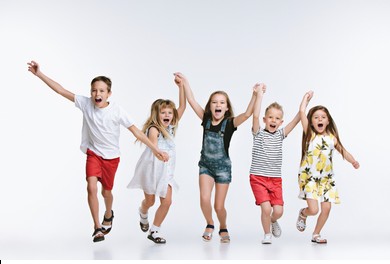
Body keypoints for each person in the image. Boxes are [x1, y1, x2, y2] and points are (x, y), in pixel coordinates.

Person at [27, 61, 168, 243]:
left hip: (112, 158)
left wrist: (155, 149)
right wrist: (40, 74)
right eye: (94, 90)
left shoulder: (117, 111)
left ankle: (108, 214)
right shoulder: (86, 104)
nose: (97, 94)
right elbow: (61, 91)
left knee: (106, 193)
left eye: (101, 90)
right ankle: (97, 228)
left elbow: (136, 132)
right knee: (91, 187)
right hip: (93, 154)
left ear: (109, 93)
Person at [176, 73, 256, 243]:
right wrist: (185, 82)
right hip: (205, 165)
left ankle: (223, 226)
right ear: (210, 107)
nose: (218, 105)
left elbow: (248, 114)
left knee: (219, 206)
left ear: (226, 108)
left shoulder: (230, 124)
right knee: (204, 199)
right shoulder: (205, 119)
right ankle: (210, 223)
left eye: (222, 102)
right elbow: (191, 101)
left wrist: (255, 95)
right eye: (214, 102)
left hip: (223, 169)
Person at [127, 73, 186, 244]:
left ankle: (155, 230)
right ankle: (143, 212)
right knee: (150, 201)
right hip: (152, 171)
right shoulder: (154, 129)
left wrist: (181, 86)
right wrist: (160, 153)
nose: (167, 115)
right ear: (156, 114)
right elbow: (154, 148)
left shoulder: (172, 127)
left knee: (167, 202)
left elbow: (182, 106)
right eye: (163, 112)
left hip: (166, 173)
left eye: (169, 113)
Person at [296, 91, 360, 244]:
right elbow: (302, 112)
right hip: (310, 178)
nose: (320, 119)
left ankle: (316, 234)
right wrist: (305, 99)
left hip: (327, 179)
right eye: (316, 117)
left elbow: (343, 151)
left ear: (328, 121)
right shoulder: (310, 135)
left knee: (326, 209)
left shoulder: (332, 139)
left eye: (323, 117)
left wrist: (353, 161)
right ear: (311, 122)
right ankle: (303, 214)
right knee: (314, 210)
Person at [249, 84, 308, 244]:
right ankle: (267, 234)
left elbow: (296, 121)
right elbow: (254, 116)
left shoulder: (281, 135)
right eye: (270, 117)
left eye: (277, 118)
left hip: (275, 180)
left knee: (278, 212)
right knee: (266, 209)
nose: (273, 120)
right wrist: (259, 95)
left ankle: (273, 221)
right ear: (265, 119)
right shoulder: (258, 133)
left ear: (281, 122)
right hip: (258, 178)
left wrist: (304, 103)